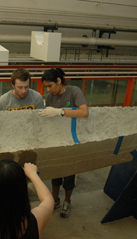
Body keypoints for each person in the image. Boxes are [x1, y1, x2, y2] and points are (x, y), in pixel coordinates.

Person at [39, 68, 89, 218]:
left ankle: (67, 200)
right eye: (46, 87)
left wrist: (59, 111)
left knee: (69, 174)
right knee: (56, 173)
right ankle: (55, 199)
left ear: (59, 81)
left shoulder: (74, 92)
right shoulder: (49, 97)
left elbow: (84, 112)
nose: (48, 89)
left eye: (49, 85)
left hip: (71, 140)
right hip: (56, 140)